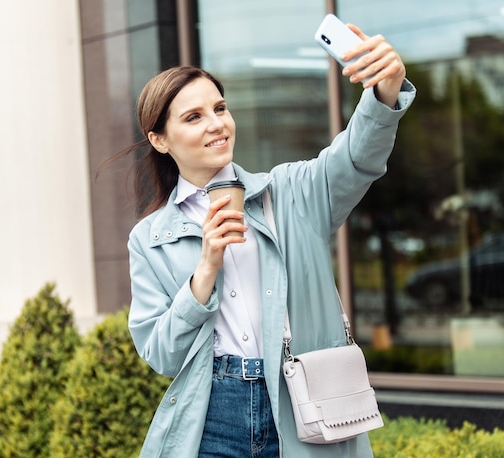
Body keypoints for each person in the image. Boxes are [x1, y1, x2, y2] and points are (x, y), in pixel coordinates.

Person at [113, 21, 415, 458]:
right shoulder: (150, 238)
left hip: (301, 402)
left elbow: (356, 156)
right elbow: (160, 354)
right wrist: (205, 271)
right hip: (213, 415)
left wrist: (385, 93)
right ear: (159, 139)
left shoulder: (289, 192)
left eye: (220, 108)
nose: (216, 124)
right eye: (194, 117)